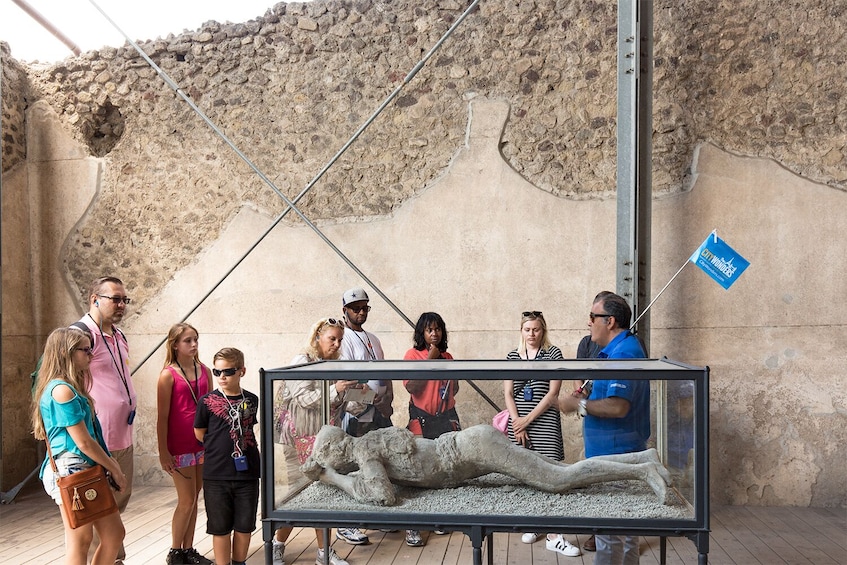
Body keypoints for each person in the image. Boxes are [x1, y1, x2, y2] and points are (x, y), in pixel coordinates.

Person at [301, 425, 671, 506]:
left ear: (337, 451)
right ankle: (644, 457)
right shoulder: (367, 445)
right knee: (559, 468)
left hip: (471, 451)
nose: (324, 461)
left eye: (325, 455)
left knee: (558, 479)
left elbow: (383, 495)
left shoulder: (365, 454)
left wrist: (331, 478)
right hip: (469, 446)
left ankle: (642, 471)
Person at [559, 292, 650, 565]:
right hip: (610, 453)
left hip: (617, 455)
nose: (588, 323)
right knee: (622, 536)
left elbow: (618, 406)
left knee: (611, 538)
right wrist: (584, 394)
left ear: (609, 321)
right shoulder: (614, 351)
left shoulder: (624, 353)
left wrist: (579, 405)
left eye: (592, 317)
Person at [32, 327, 128, 565]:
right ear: (67, 352)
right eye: (85, 350)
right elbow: (83, 442)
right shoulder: (61, 390)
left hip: (83, 468)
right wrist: (113, 467)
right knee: (81, 540)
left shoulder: (68, 387)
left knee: (113, 534)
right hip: (73, 468)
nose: (90, 355)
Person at [273, 318, 363, 565]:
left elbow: (348, 404)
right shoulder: (301, 361)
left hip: (324, 440)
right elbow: (306, 399)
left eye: (340, 340)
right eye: (331, 338)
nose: (336, 344)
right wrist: (337, 389)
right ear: (317, 338)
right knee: (298, 495)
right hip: (297, 439)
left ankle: (325, 552)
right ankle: (277, 545)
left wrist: (364, 396)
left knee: (326, 493)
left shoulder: (336, 365)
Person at [503, 311, 579, 557]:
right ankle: (535, 524)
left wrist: (527, 420)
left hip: (544, 423)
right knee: (527, 474)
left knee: (552, 475)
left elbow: (552, 394)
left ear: (543, 330)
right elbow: (508, 394)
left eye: (536, 329)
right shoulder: (512, 357)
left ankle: (555, 535)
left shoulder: (553, 354)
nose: (532, 334)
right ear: (521, 331)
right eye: (527, 329)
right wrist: (517, 422)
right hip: (521, 426)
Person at [76, 276, 136, 562]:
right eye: (115, 299)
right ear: (94, 299)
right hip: (99, 438)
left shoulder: (118, 334)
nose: (121, 304)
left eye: (124, 300)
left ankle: (113, 558)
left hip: (123, 434)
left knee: (118, 501)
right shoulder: (81, 334)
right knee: (101, 508)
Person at [336, 287, 393, 547]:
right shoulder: (343, 338)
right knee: (353, 466)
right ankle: (346, 524)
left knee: (380, 462)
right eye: (355, 308)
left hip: (378, 412)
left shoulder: (373, 338)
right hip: (356, 414)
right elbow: (345, 383)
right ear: (345, 310)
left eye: (365, 308)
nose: (361, 312)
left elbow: (385, 372)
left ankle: (375, 514)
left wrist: (387, 401)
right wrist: (375, 401)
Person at [193, 348, 260, 565]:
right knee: (219, 527)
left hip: (247, 472)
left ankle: (239, 561)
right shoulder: (206, 401)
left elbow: (249, 428)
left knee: (244, 524)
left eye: (228, 372)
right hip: (217, 473)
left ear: (242, 371)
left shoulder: (252, 399)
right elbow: (200, 432)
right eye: (217, 372)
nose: (222, 377)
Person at [157, 323, 214, 565]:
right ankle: (174, 551)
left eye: (195, 340)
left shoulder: (205, 370)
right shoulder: (167, 375)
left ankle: (188, 549)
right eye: (187, 341)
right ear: (175, 345)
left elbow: (212, 408)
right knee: (186, 500)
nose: (193, 345)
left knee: (195, 496)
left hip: (201, 444)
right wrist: (163, 452)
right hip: (179, 446)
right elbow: (162, 417)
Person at [402, 312, 458, 547]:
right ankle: (412, 525)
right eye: (429, 330)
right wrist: (429, 361)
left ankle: (438, 518)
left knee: (445, 468)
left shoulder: (448, 356)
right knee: (416, 470)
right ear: (422, 334)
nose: (434, 333)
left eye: (437, 329)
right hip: (421, 420)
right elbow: (411, 387)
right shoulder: (412, 355)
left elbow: (454, 389)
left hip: (445, 419)